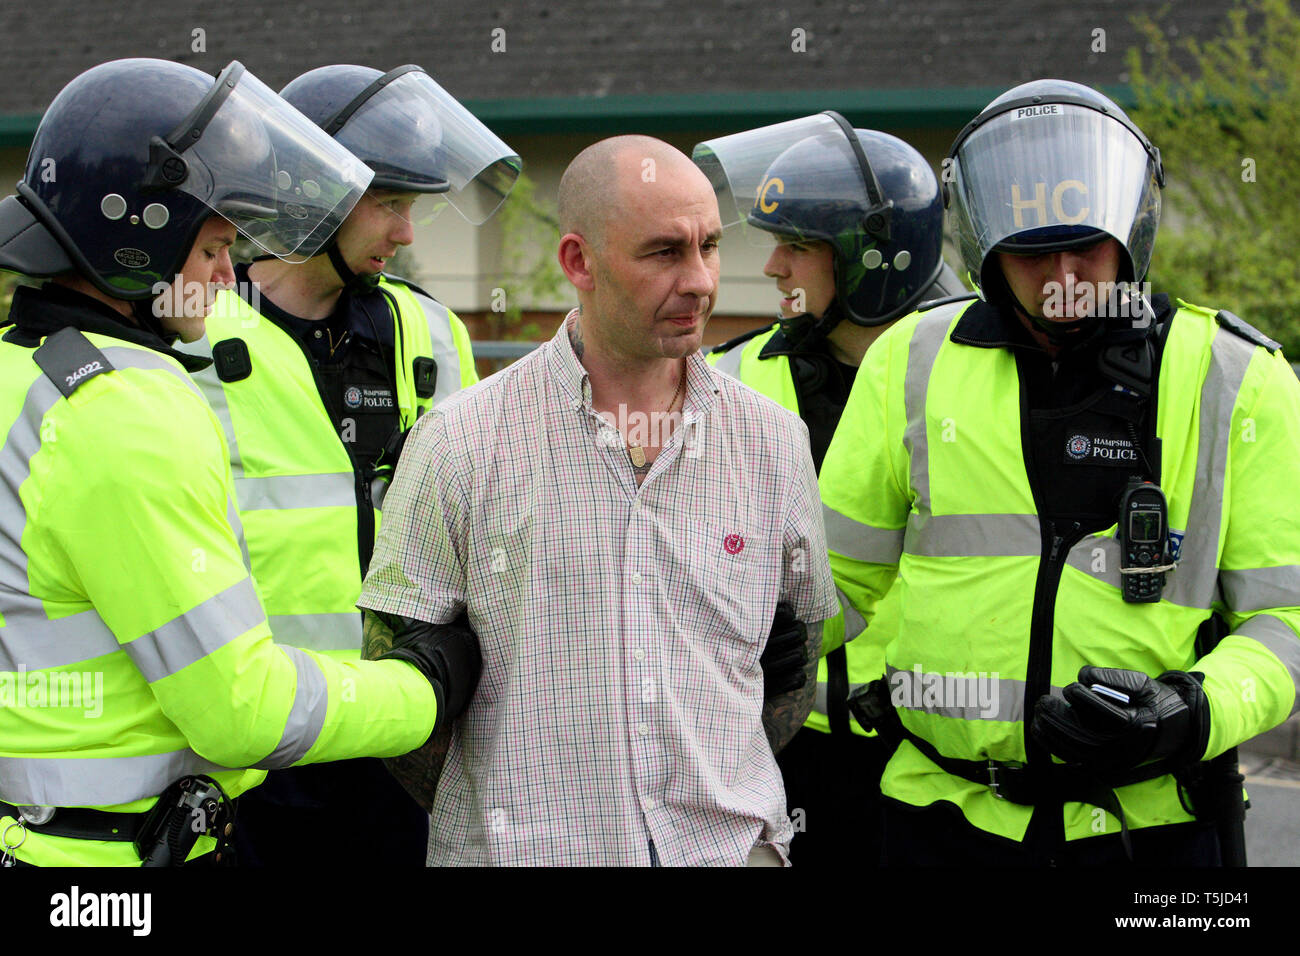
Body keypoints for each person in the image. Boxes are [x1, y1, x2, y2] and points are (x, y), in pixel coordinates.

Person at [0, 58, 478, 867]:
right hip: (129, 852)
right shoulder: (125, 409)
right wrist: (429, 687)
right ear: (139, 242)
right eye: (217, 247)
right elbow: (241, 710)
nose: (229, 278)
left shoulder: (27, 371)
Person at [820, 78, 1300, 865]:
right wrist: (763, 630)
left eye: (1087, 243)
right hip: (938, 816)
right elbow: (833, 577)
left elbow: (1286, 622)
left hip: (1151, 828)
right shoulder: (909, 360)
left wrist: (1190, 711)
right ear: (986, 245)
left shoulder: (1237, 377)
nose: (1066, 273)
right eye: (1037, 251)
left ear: (1132, 228)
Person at [357, 135, 839, 866]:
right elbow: (400, 694)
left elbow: (790, 681)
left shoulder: (772, 443)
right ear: (578, 261)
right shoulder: (459, 443)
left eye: (710, 246)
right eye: (664, 252)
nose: (701, 280)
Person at [178, 63, 519, 867]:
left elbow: (487, 518)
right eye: (390, 203)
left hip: (407, 736)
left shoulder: (431, 333)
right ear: (309, 192)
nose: (407, 233)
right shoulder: (190, 337)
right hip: (255, 748)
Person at [695, 112, 967, 866]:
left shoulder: (975, 382)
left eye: (798, 245)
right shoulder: (731, 377)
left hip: (933, 751)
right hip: (779, 742)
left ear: (870, 259)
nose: (773, 266)